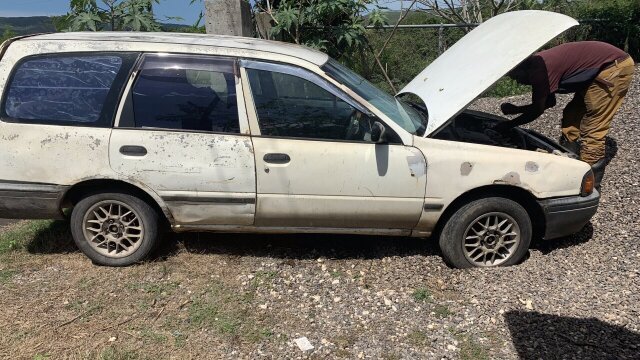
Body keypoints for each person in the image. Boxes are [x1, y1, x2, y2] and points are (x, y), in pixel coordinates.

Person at [496, 41, 635, 188]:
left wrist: (509, 124)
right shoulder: (537, 66)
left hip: (613, 67)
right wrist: (516, 109)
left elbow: (537, 111)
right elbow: (548, 103)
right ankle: (571, 160)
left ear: (523, 68)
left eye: (516, 77)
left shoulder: (538, 71)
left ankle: (590, 185)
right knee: (571, 114)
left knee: (594, 127)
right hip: (597, 69)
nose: (518, 82)